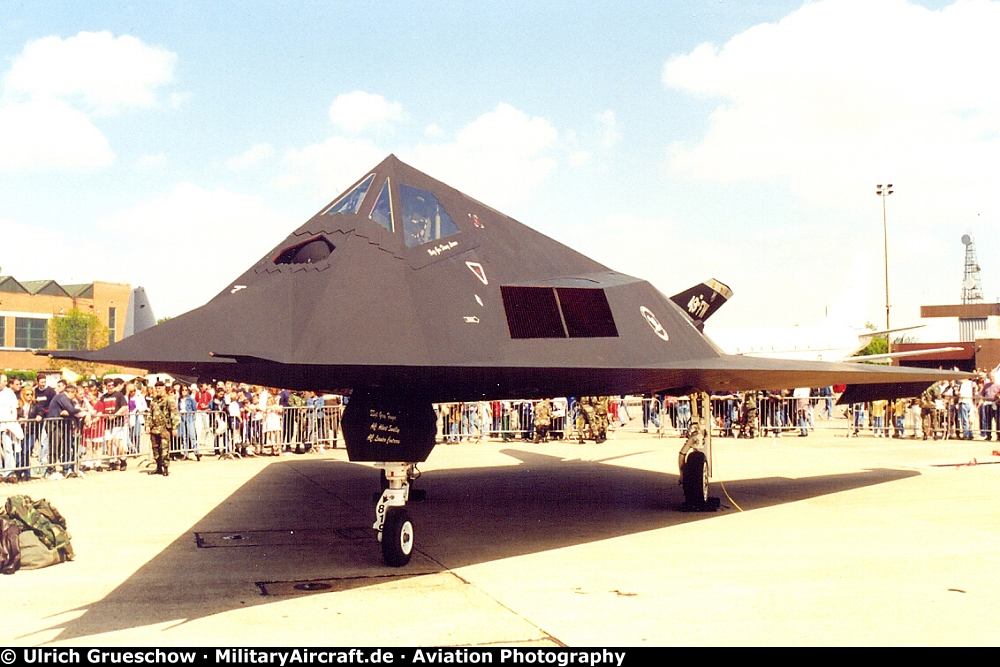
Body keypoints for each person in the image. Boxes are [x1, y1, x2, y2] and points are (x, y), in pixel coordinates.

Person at [146, 381, 179, 476]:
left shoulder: (169, 400)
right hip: (154, 428)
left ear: (164, 388)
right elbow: (150, 413)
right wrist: (147, 425)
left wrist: (174, 427)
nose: (157, 390)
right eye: (156, 388)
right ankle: (158, 467)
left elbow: (174, 414)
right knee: (155, 449)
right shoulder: (154, 400)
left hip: (164, 428)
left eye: (159, 388)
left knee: (164, 449)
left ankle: (165, 468)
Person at [0, 374, 24, 483]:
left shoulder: (9, 393)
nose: (5, 383)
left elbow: (14, 409)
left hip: (6, 424)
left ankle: (9, 472)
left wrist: (12, 423)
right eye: (3, 381)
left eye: (5, 381)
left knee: (8, 448)